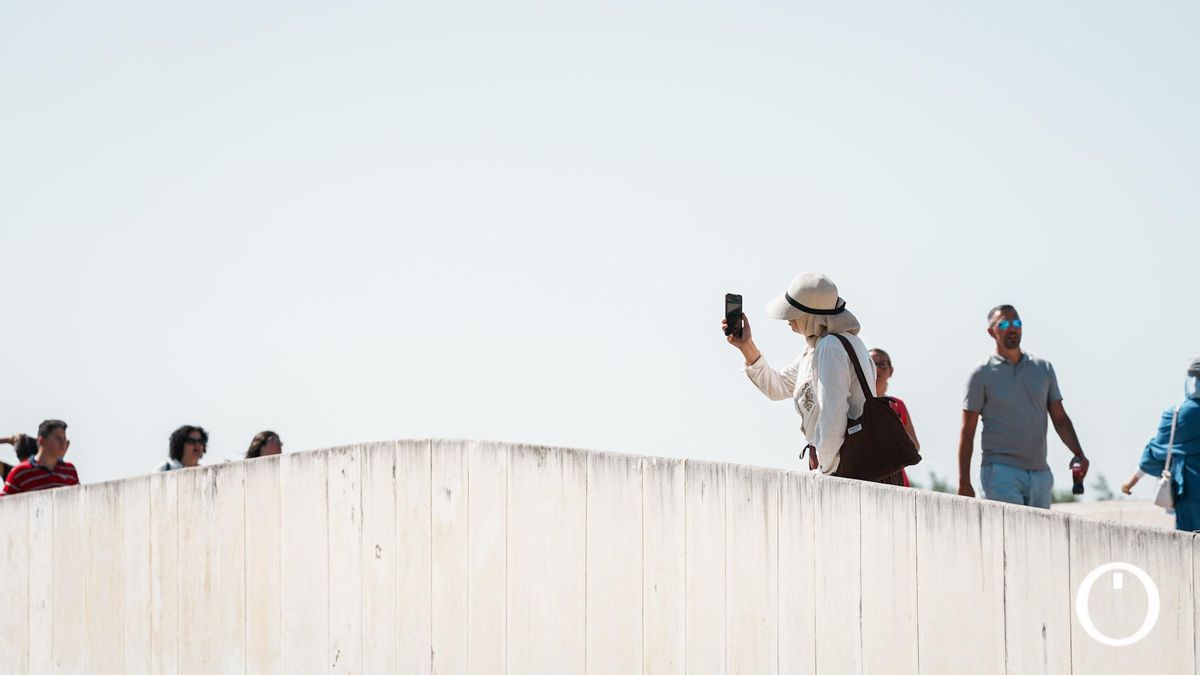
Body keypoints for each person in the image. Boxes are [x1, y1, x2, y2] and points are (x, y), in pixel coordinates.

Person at [724, 272, 890, 481]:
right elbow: (779, 386)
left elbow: (833, 415)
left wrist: (824, 471)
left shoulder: (830, 347)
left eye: (794, 312)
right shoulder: (822, 346)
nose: (788, 318)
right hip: (846, 464)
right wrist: (746, 346)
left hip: (842, 469)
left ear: (808, 315)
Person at [958, 305, 1088, 508]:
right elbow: (967, 433)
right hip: (999, 473)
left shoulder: (1043, 368)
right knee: (1009, 538)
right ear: (991, 332)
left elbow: (1060, 419)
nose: (1012, 328)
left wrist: (1078, 453)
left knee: (1042, 539)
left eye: (1017, 323)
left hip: (1040, 475)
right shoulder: (981, 374)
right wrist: (964, 482)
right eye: (1004, 324)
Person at [1121, 357, 1200, 531]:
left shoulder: (1176, 415)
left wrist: (1131, 480)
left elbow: (1156, 452)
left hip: (1190, 495)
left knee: (1190, 549)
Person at [871, 348, 920, 487]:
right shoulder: (854, 403)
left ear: (890, 371)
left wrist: (894, 425)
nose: (876, 369)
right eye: (871, 363)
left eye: (882, 364)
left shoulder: (897, 405)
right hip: (866, 478)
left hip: (897, 481)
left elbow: (915, 447)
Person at [3, 420, 79, 495]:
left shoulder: (70, 470)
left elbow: (78, 499)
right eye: (58, 438)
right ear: (41, 441)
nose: (63, 443)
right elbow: (3, 503)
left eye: (64, 438)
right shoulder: (19, 472)